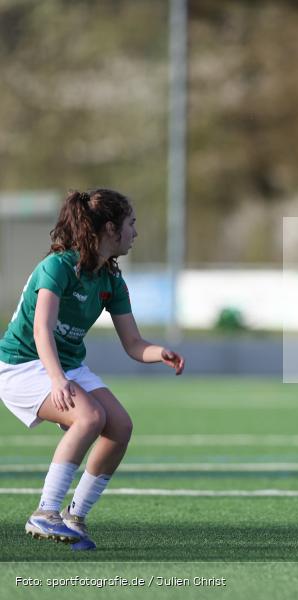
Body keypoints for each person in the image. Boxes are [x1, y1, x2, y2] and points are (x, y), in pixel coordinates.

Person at [0, 189, 185, 551]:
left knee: (120, 426)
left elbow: (133, 344)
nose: (136, 233)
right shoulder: (57, 267)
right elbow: (42, 329)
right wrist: (57, 380)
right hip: (22, 365)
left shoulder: (111, 281)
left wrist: (159, 351)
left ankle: (75, 516)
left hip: (65, 363)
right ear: (110, 228)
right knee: (89, 418)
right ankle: (45, 511)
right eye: (131, 225)